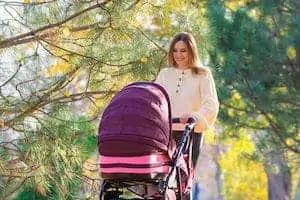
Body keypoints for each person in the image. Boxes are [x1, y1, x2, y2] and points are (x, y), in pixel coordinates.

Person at [155, 31, 219, 170]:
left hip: (190, 133)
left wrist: (194, 116)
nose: (178, 55)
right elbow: (155, 101)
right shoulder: (165, 74)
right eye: (175, 51)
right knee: (161, 177)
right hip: (165, 134)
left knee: (182, 178)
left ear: (191, 51)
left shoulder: (203, 74)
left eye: (183, 50)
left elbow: (210, 103)